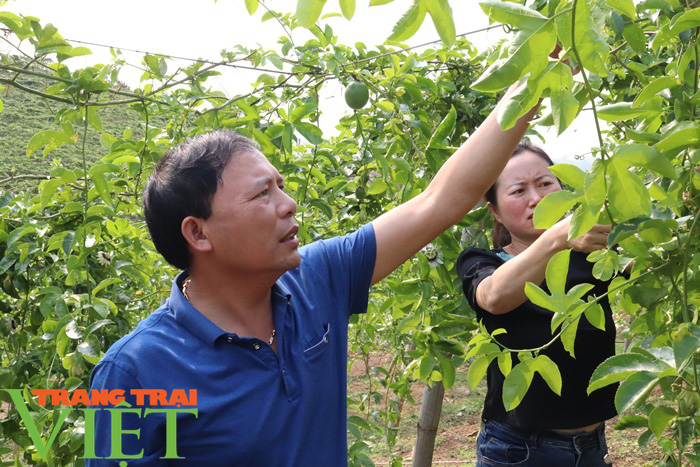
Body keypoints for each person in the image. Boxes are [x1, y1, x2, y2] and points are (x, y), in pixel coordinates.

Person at [87, 84, 539, 465]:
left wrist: (523, 93)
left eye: (280, 185)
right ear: (198, 232)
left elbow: (439, 200)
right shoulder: (131, 373)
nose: (288, 204)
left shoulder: (315, 279)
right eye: (262, 194)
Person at [456, 142, 616, 466]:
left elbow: (649, 258)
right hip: (519, 451)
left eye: (545, 184)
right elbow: (493, 297)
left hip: (592, 448)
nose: (537, 198)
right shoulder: (484, 261)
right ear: (496, 210)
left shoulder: (596, 253)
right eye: (518, 191)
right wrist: (558, 237)